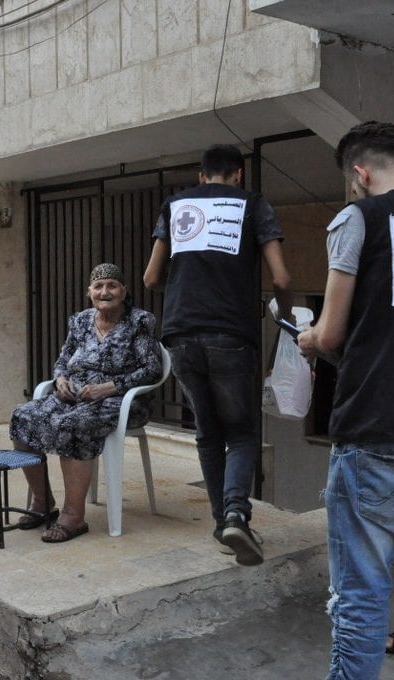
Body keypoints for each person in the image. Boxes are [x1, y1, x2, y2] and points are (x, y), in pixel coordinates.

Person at [297, 121, 394, 679]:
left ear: (360, 173)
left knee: (362, 596)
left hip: (377, 425)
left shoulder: (359, 218)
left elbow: (329, 334)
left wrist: (308, 339)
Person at [143, 144, 293, 566]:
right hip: (231, 333)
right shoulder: (254, 204)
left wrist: (187, 280)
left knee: (208, 433)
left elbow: (150, 277)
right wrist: (286, 313)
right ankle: (235, 515)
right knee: (241, 432)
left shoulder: (175, 205)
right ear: (239, 174)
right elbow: (282, 277)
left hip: (180, 333)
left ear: (201, 174)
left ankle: (220, 525)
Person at [10, 263, 163, 543]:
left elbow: (152, 369)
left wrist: (109, 387)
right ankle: (43, 503)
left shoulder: (139, 321)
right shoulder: (80, 321)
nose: (105, 292)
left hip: (121, 401)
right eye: (98, 286)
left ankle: (73, 516)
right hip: (75, 396)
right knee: (22, 416)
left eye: (112, 286)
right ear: (89, 292)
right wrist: (60, 379)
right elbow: (63, 359)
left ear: (123, 291)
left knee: (74, 425)